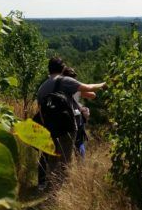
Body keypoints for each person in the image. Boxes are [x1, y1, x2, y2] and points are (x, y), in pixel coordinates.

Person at [36, 57, 105, 187]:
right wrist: (103, 84)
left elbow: (40, 110)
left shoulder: (42, 87)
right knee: (65, 160)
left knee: (53, 159)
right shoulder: (65, 81)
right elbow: (88, 88)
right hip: (66, 126)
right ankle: (61, 192)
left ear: (49, 69)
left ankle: (52, 188)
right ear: (62, 68)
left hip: (50, 128)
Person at [62, 66, 94, 158]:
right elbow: (92, 95)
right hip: (76, 117)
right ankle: (81, 164)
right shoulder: (77, 87)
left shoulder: (60, 86)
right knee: (79, 142)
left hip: (63, 118)